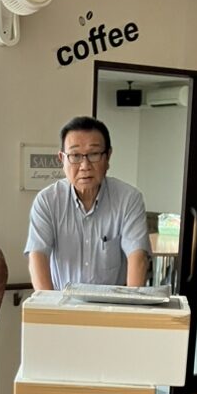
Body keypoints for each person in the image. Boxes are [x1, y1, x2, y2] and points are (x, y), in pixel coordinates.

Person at [25, 115, 150, 290]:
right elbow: (37, 256)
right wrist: (48, 304)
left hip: (113, 303)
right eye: (75, 156)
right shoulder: (47, 201)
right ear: (62, 159)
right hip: (62, 301)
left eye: (94, 154)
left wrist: (130, 304)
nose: (85, 166)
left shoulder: (129, 199)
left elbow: (138, 256)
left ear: (108, 157)